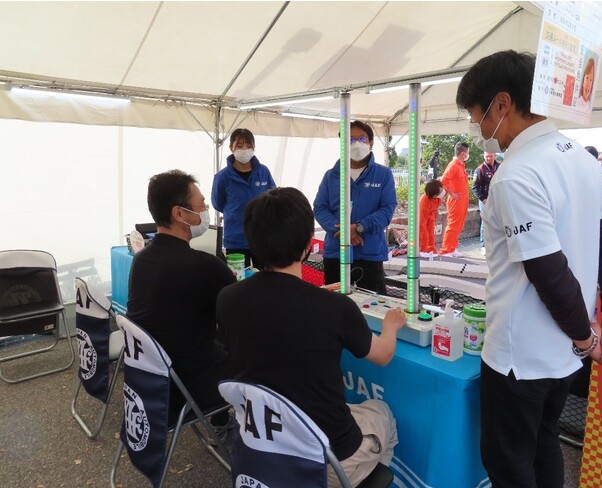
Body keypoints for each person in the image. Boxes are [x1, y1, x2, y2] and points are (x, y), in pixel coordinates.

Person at [456, 50, 602, 488]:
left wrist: (590, 340)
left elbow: (549, 274)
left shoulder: (516, 175)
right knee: (544, 444)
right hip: (562, 358)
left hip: (519, 358)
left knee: (509, 465)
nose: (480, 130)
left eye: (478, 117)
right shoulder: (580, 158)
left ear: (502, 104)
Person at [217, 187, 406, 487]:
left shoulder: (227, 298)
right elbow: (383, 355)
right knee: (382, 412)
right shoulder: (335, 308)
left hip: (263, 448)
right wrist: (391, 325)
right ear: (308, 244)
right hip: (327, 463)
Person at [127, 169, 236, 430]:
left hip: (151, 381)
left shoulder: (141, 260)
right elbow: (242, 316)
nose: (205, 212)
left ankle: (221, 422)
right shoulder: (205, 266)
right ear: (179, 213)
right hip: (191, 386)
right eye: (201, 206)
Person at [313, 120, 397, 294]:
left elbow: (387, 209)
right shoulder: (331, 176)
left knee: (373, 304)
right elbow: (320, 208)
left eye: (362, 139)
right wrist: (343, 231)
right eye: (350, 140)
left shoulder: (383, 174)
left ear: (371, 143)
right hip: (336, 253)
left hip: (369, 253)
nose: (356, 144)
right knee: (335, 303)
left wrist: (360, 227)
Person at [211, 128, 276, 268]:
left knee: (266, 276)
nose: (244, 150)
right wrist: (235, 212)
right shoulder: (222, 177)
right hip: (235, 238)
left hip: (261, 237)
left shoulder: (263, 171)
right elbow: (217, 203)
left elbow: (273, 197)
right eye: (239, 146)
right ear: (231, 148)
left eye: (248, 146)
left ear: (253, 147)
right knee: (237, 277)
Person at [439, 141, 470, 257]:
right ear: (463, 154)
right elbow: (442, 182)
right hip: (456, 201)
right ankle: (446, 250)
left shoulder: (460, 165)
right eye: (467, 152)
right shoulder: (453, 165)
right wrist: (451, 194)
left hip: (461, 200)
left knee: (458, 225)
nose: (468, 155)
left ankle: (452, 248)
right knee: (453, 224)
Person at [472, 152, 500, 254]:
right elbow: (475, 188)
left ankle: (497, 245)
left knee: (498, 222)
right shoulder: (480, 170)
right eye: (486, 156)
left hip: (498, 200)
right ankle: (483, 245)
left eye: (490, 156)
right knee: (485, 223)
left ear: (495, 155)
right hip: (485, 201)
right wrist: (483, 199)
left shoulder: (500, 167)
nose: (488, 158)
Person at [419, 179, 445, 257]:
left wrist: (436, 211)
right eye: (440, 191)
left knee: (431, 233)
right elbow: (422, 222)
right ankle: (423, 251)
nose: (442, 192)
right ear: (434, 194)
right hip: (423, 217)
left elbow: (436, 205)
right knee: (424, 232)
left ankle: (431, 250)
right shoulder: (424, 202)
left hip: (431, 216)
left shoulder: (437, 197)